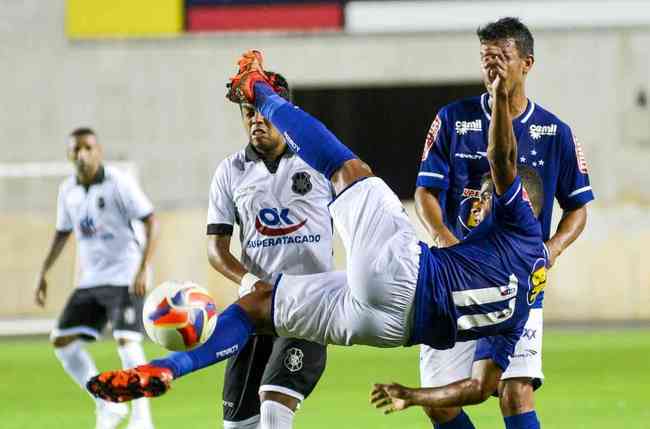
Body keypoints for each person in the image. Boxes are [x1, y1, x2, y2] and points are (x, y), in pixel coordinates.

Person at [86, 50, 546, 412]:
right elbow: (480, 386)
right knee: (259, 305)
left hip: (404, 274)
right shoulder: (520, 309)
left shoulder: (520, 227)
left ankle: (258, 89)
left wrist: (502, 98)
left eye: (485, 197)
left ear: (520, 204)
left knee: (350, 170)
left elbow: (502, 160)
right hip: (388, 329)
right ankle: (166, 369)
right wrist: (415, 395)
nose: (477, 201)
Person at [414, 17, 593, 429]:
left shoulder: (554, 132)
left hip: (518, 279)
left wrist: (552, 249)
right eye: (485, 58)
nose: (491, 66)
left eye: (501, 57)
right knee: (438, 402)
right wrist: (442, 237)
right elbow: (425, 192)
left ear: (526, 63)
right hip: (457, 278)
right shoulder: (453, 120)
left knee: (515, 392)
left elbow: (578, 207)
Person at [207, 72, 333, 429]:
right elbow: (216, 248)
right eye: (249, 112)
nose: (256, 120)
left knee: (275, 406)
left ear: (285, 111)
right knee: (237, 425)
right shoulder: (230, 171)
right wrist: (249, 282)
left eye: (264, 110)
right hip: (258, 310)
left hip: (310, 305)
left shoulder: (318, 161)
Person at [36, 128, 159, 429]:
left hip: (125, 276)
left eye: (88, 148)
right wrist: (44, 271)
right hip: (91, 279)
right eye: (75, 149)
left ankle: (142, 419)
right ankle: (106, 403)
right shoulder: (68, 190)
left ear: (98, 151)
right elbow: (63, 232)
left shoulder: (119, 182)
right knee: (61, 340)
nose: (82, 154)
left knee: (126, 340)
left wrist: (143, 269)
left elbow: (151, 221)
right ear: (69, 154)